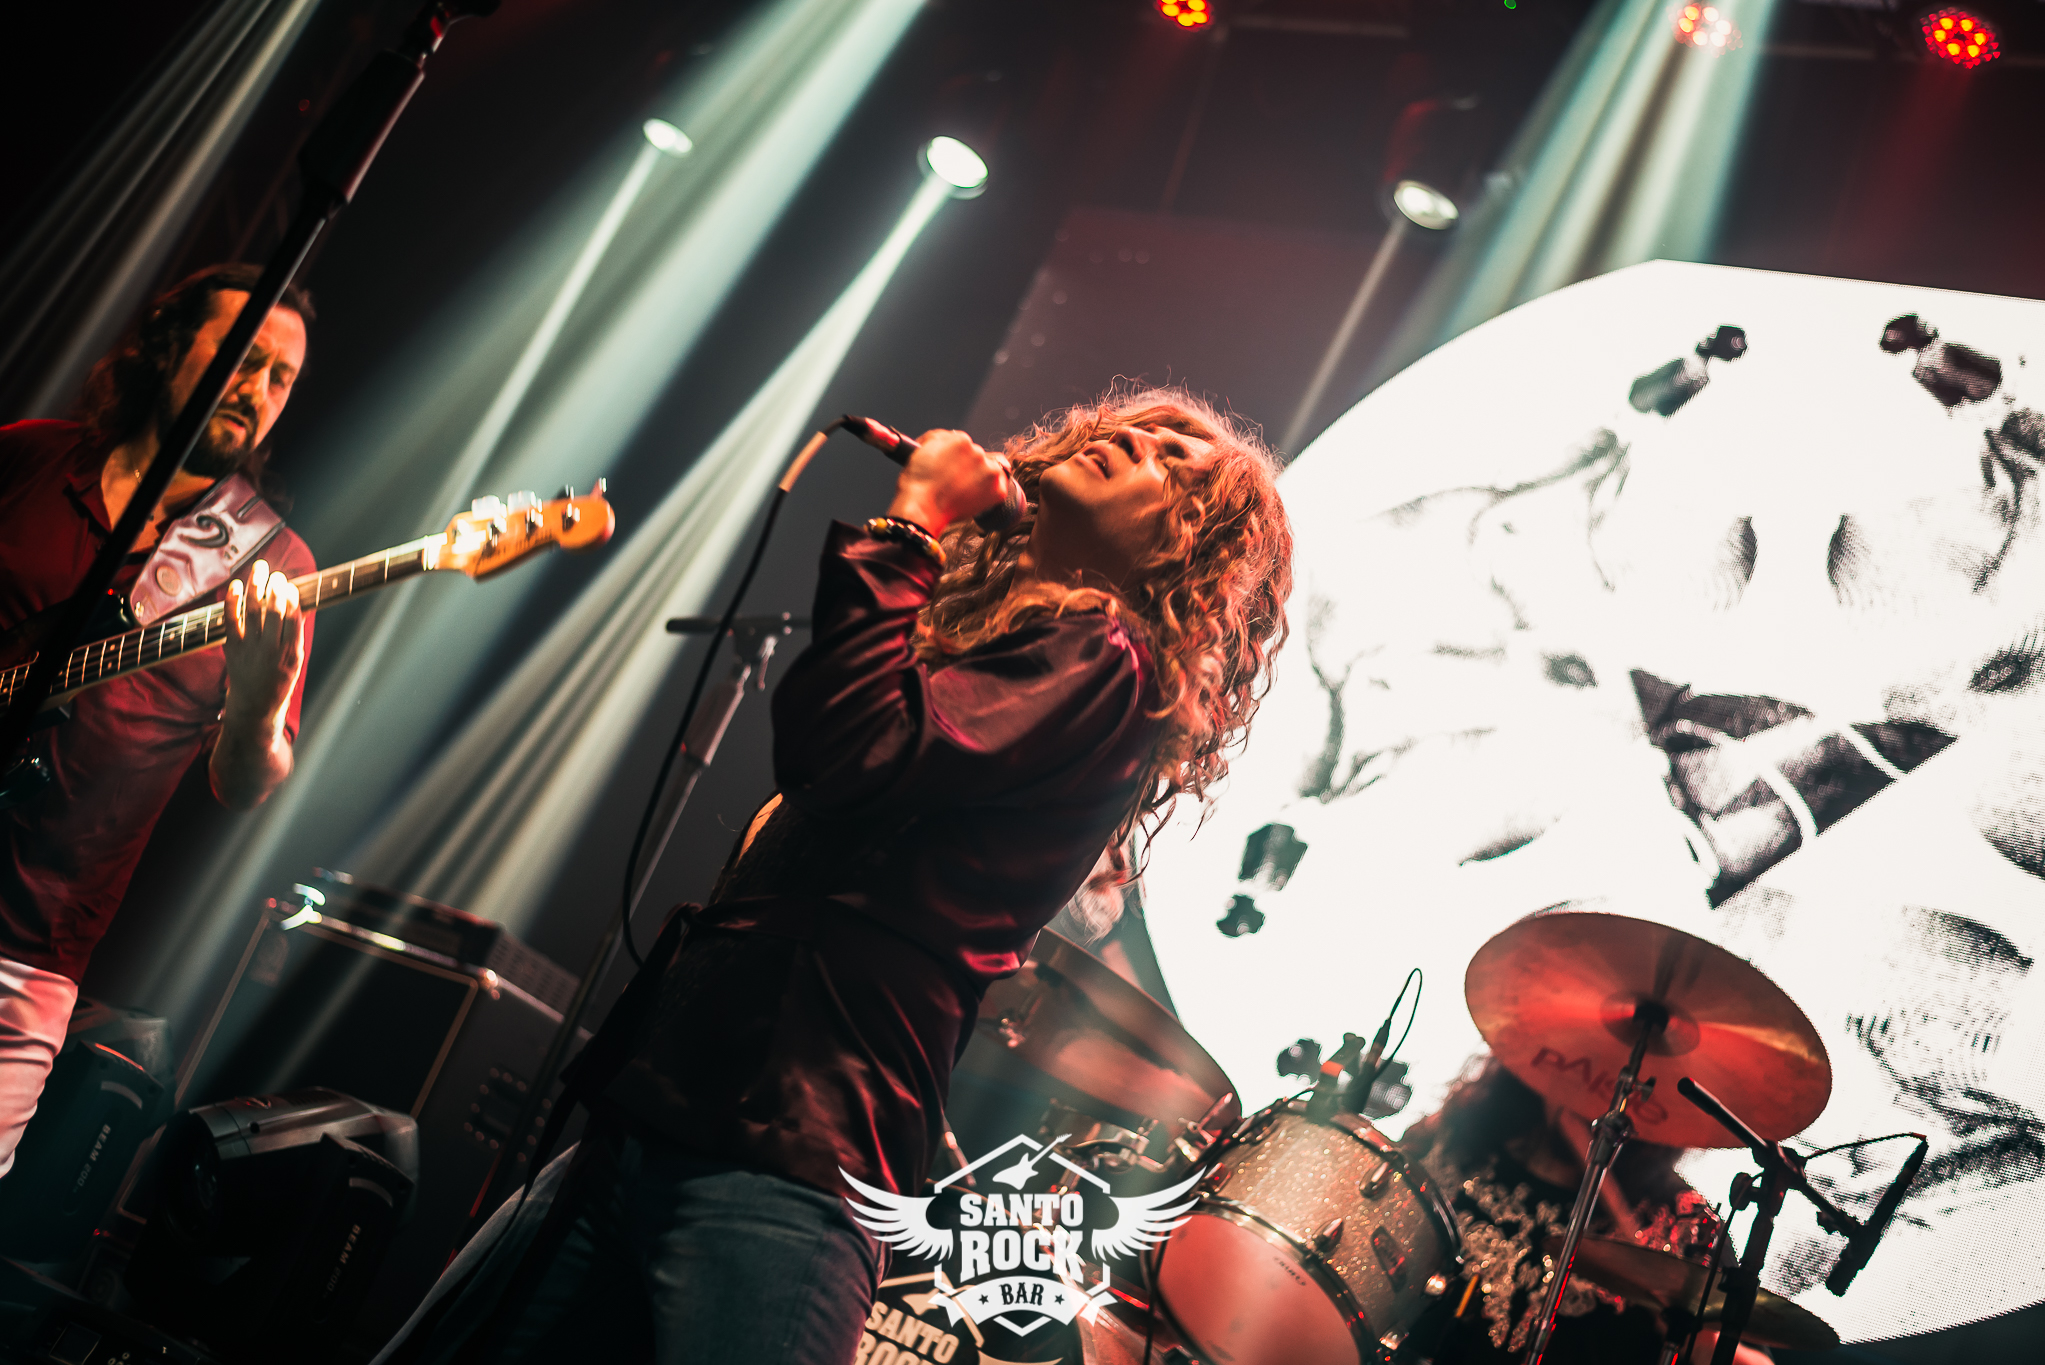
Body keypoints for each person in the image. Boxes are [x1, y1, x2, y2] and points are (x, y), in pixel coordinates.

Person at [390, 387, 1293, 1364]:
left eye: (1171, 460)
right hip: (675, 1098)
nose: (1134, 440)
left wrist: (910, 526)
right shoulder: (1005, 645)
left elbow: (850, 745)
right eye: (1132, 427)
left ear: (1184, 550)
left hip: (793, 1138)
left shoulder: (1108, 660)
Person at [0, 263, 315, 1177]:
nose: (257, 391)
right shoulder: (31, 457)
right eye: (243, 357)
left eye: (280, 378)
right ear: (169, 344)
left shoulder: (273, 567)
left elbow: (245, 783)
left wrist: (258, 701)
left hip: (24, 954)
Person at [1400, 1055, 1772, 1365]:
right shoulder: (1457, 1138)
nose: (1609, 1090)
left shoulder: (1686, 1224)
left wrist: (1701, 1344)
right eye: (1595, 1061)